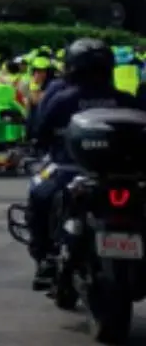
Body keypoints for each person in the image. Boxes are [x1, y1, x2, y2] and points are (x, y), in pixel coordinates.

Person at [26, 39, 139, 290]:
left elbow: (39, 133)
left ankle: (45, 258)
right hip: (124, 175)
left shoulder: (62, 99)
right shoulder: (125, 98)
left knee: (37, 194)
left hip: (69, 171)